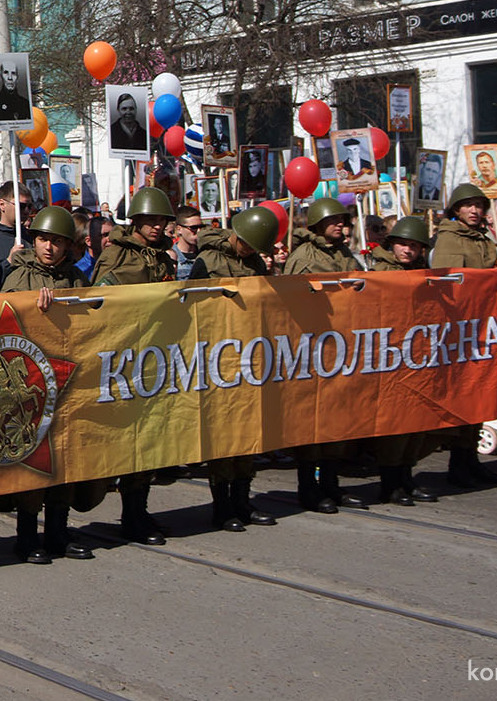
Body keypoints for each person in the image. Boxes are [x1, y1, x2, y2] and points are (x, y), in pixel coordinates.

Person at [0, 205, 98, 562]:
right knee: (32, 463)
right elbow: (2, 319)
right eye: (42, 240)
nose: (49, 247)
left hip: (70, 379)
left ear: (68, 246)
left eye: (56, 241)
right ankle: (27, 536)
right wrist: (31, 308)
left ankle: (58, 531)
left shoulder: (76, 279)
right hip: (32, 381)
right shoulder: (19, 276)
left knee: (66, 460)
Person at [91, 187, 178, 544]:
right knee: (133, 441)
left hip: (157, 357)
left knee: (153, 441)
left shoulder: (163, 258)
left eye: (162, 221)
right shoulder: (117, 258)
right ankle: (131, 516)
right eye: (151, 220)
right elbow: (100, 303)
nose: (158, 227)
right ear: (137, 221)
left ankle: (139, 510)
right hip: (125, 360)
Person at [188, 207, 282, 532]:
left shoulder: (255, 263)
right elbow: (190, 305)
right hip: (218, 356)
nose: (252, 252)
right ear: (237, 236)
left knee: (249, 433)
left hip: (250, 356)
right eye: (249, 245)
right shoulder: (208, 262)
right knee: (224, 435)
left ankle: (243, 499)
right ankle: (222, 505)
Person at [281, 197, 364, 514]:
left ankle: (332, 484)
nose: (341, 224)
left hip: (343, 348)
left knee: (338, 422)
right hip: (312, 350)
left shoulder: (344, 254)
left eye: (344, 220)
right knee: (312, 425)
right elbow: (292, 302)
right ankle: (309, 488)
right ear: (318, 224)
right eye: (335, 220)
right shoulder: (305, 256)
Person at [429, 183, 497, 487]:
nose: (475, 211)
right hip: (460, 329)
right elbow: (447, 284)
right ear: (456, 209)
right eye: (468, 205)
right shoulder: (450, 239)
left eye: (479, 205)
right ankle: (458, 465)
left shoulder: (484, 239)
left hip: (485, 327)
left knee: (480, 396)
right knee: (464, 398)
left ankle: (471, 460)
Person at [364, 216, 440, 506]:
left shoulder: (424, 271)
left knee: (416, 422)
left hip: (418, 353)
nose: (407, 251)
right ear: (392, 244)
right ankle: (390, 482)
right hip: (389, 355)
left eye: (413, 246)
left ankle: (407, 476)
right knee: (393, 426)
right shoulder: (378, 268)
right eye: (403, 245)